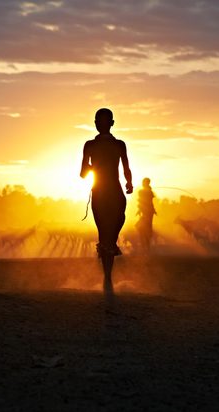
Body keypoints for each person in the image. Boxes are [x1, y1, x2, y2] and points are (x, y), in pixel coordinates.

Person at [80, 108, 133, 293]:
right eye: (99, 121)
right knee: (107, 232)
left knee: (109, 230)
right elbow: (83, 173)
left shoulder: (111, 145)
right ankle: (108, 276)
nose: (100, 124)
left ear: (111, 123)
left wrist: (129, 182)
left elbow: (83, 174)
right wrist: (129, 183)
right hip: (109, 191)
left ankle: (108, 270)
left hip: (106, 192)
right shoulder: (99, 145)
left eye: (102, 121)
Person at [136, 177, 157, 251]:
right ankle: (145, 246)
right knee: (143, 227)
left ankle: (146, 246)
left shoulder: (144, 192)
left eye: (144, 182)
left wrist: (153, 210)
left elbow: (147, 202)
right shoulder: (145, 192)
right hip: (147, 212)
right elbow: (143, 202)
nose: (143, 183)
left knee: (143, 228)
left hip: (147, 213)